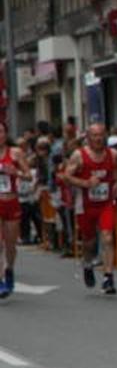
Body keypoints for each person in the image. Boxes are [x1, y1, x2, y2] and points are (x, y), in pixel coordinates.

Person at [64, 121, 117, 295]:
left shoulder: (113, 154)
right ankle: (88, 264)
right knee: (89, 241)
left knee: (107, 237)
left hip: (105, 203)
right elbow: (66, 176)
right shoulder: (79, 155)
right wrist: (85, 183)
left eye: (101, 135)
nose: (98, 139)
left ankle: (108, 277)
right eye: (94, 135)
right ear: (88, 137)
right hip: (85, 204)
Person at [0, 121, 32, 297]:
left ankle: (9, 269)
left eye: (1, 132)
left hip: (11, 202)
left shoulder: (15, 153)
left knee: (10, 245)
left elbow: (28, 176)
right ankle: (0, 280)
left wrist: (16, 172)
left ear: (6, 134)